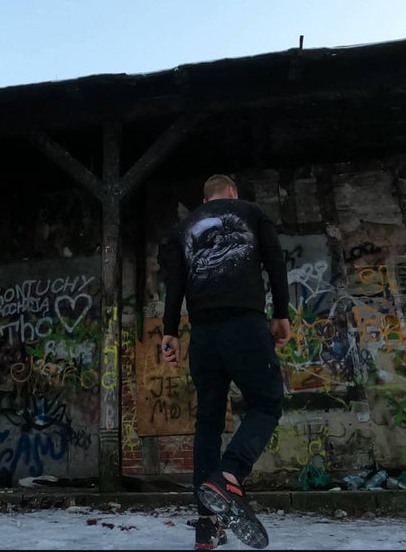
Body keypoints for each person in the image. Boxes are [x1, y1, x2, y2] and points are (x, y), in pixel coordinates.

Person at [160, 174, 291, 550]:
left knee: (208, 422)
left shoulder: (183, 228)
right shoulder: (252, 212)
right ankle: (230, 474)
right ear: (232, 193)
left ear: (205, 200)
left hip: (203, 335)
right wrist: (281, 313)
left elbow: (175, 283)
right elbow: (275, 261)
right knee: (267, 402)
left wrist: (170, 331)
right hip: (244, 325)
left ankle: (207, 526)